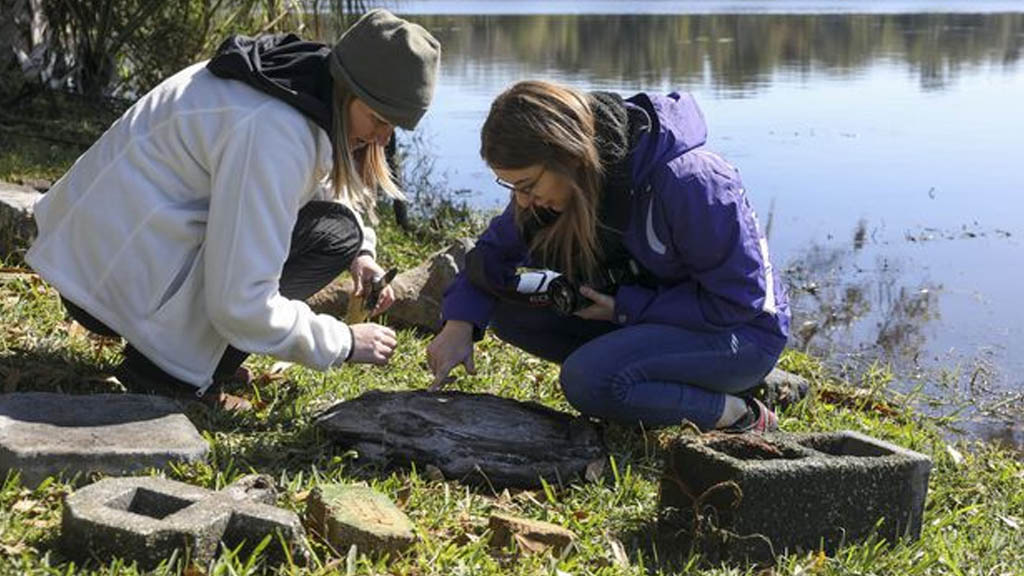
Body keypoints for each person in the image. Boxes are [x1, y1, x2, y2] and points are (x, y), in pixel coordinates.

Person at [25, 10, 440, 409]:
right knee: (333, 234)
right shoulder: (275, 131)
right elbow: (240, 304)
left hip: (88, 260)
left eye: (395, 126)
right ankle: (166, 375)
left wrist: (362, 255)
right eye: (378, 119)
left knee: (344, 233)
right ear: (350, 91)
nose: (383, 139)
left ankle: (194, 354)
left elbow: (326, 181)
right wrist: (344, 343)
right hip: (106, 280)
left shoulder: (295, 80)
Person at [427, 81, 790, 433]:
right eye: (511, 187)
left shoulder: (691, 181)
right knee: (501, 306)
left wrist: (626, 307)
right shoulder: (560, 187)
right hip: (647, 316)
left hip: (742, 333)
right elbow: (491, 256)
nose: (521, 201)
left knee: (588, 380)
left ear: (566, 154)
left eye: (526, 186)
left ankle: (740, 414)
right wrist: (460, 323)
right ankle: (655, 373)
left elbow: (738, 301)